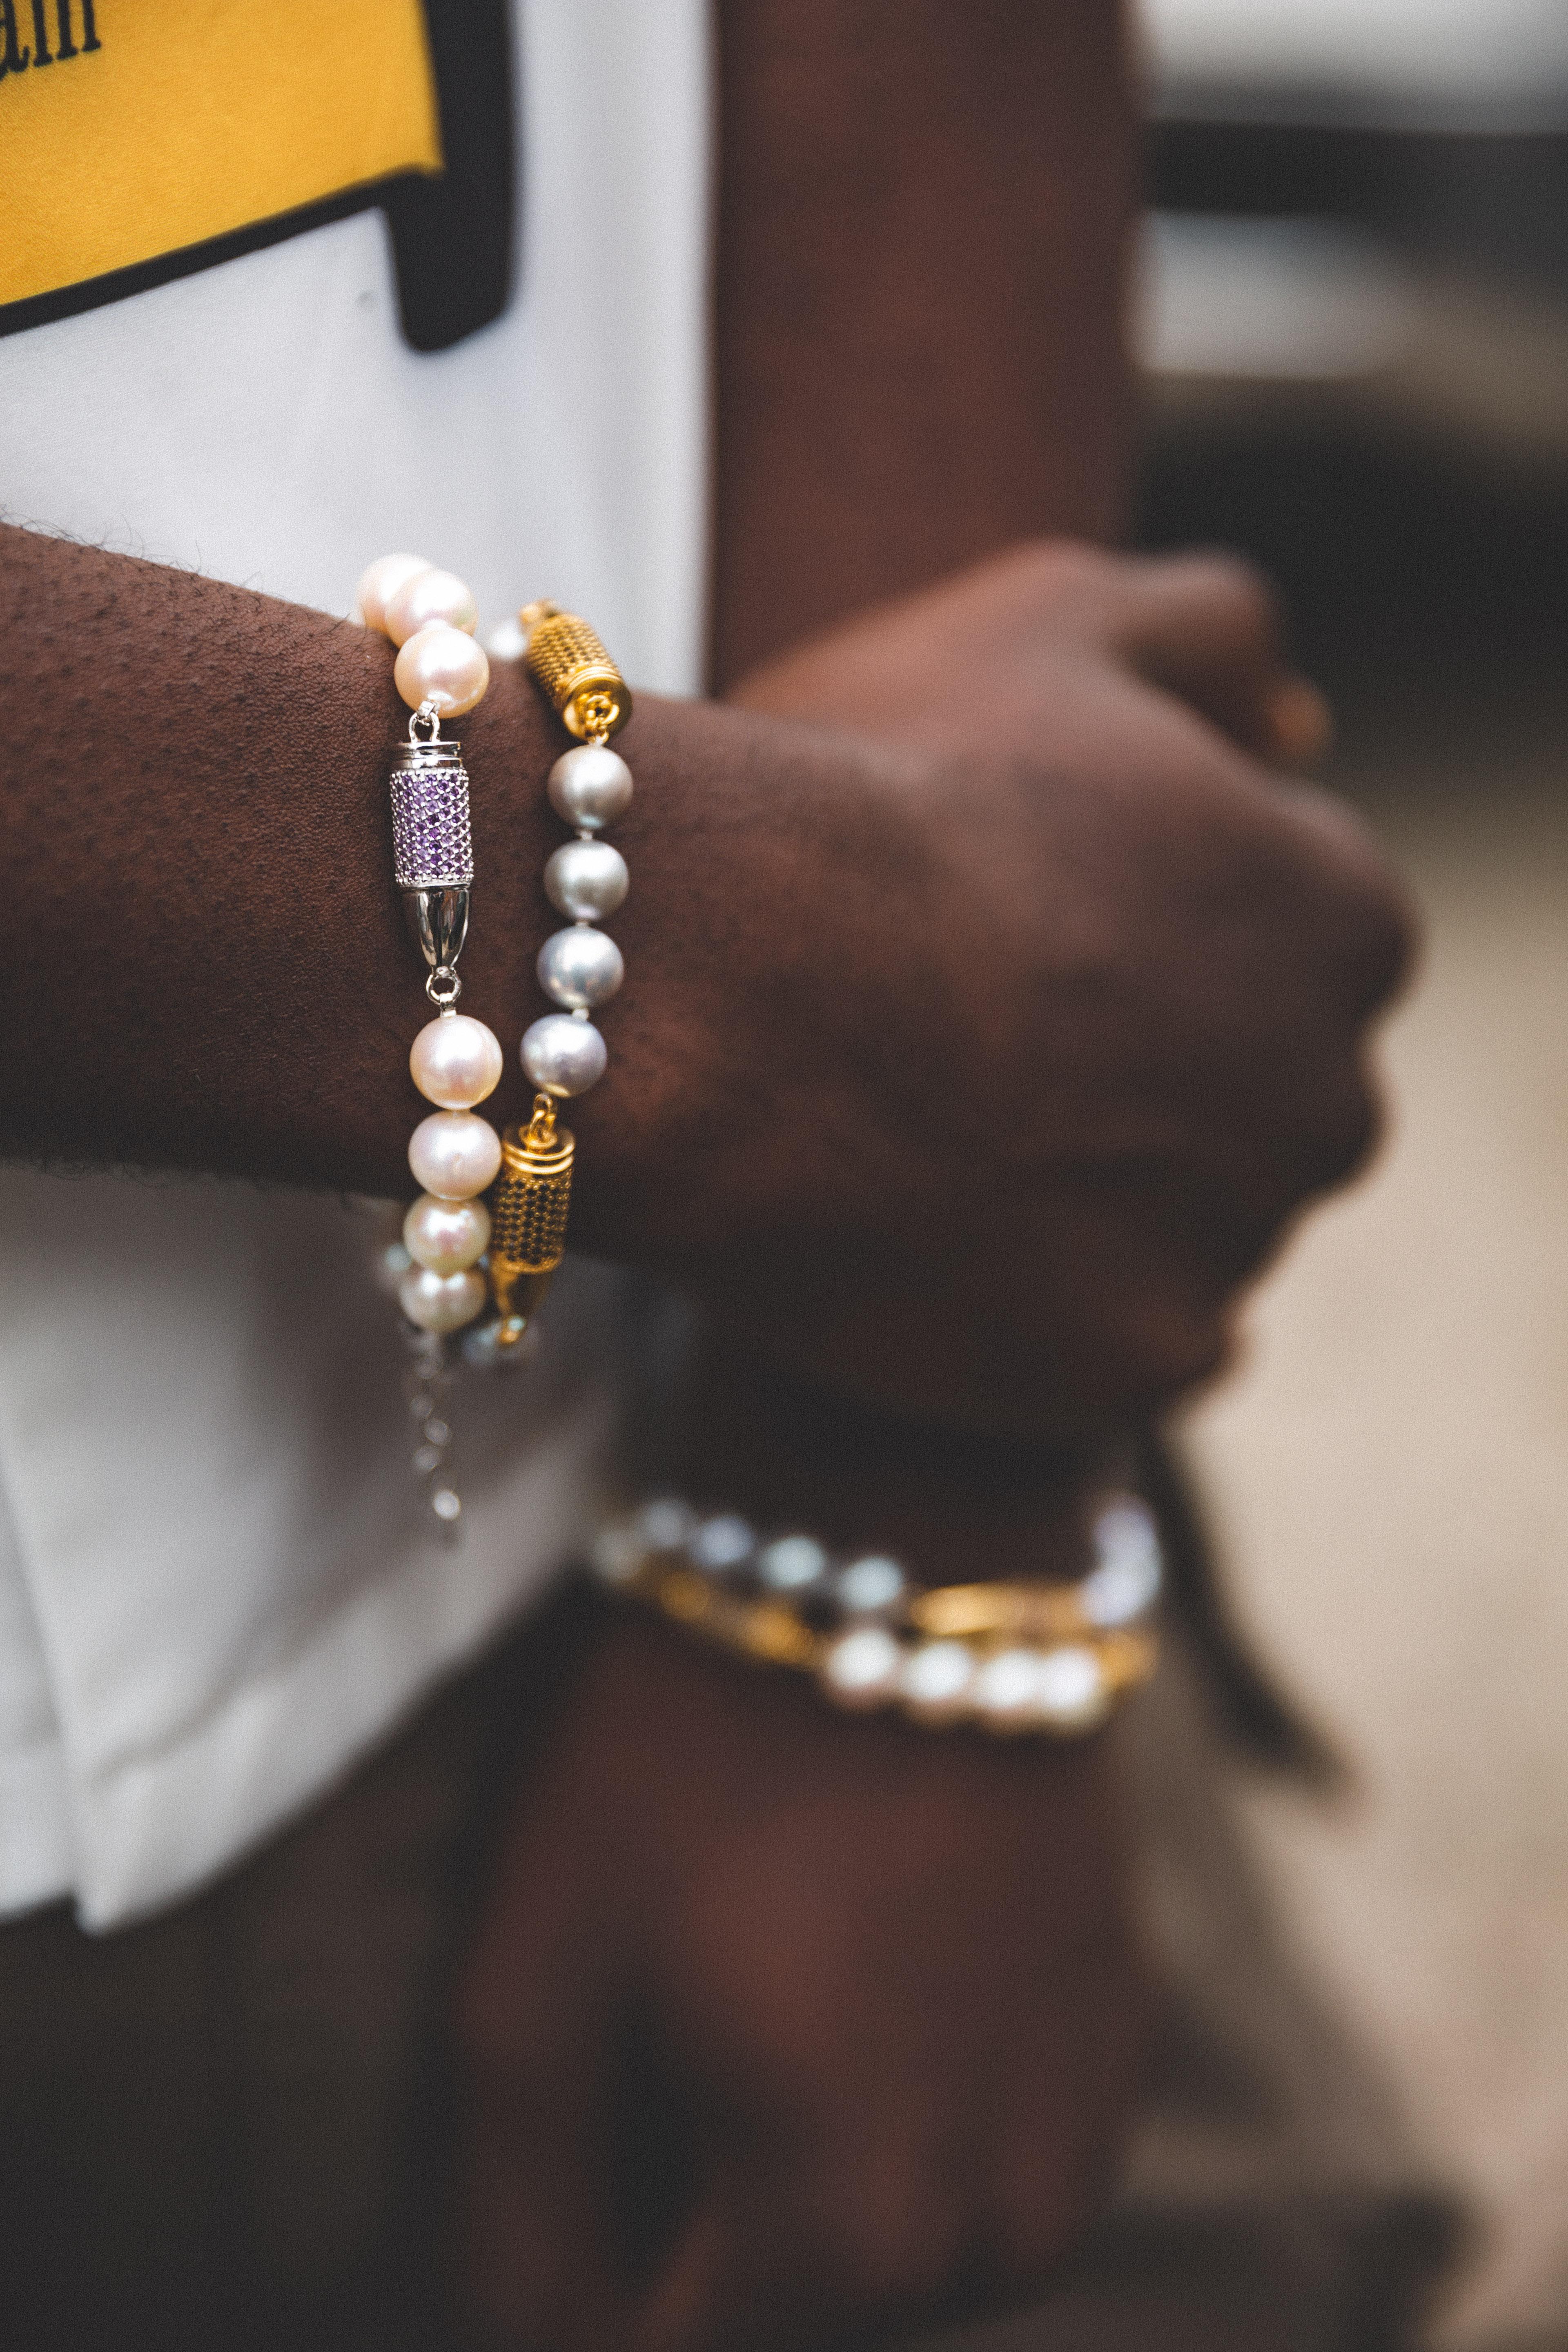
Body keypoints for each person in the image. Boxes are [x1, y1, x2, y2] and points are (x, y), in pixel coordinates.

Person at [0, 3, 1416, 2346]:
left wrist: (891, 1472)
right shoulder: (835, 1011)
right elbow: (856, 997)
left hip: (683, 1451)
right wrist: (802, 976)